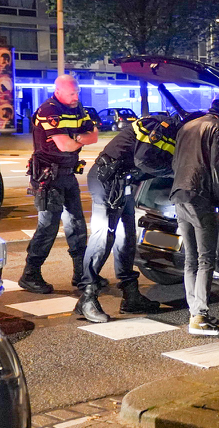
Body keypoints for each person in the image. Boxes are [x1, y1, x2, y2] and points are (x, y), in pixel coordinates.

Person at [74, 114, 179, 322]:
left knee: (126, 238)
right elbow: (143, 159)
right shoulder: (161, 127)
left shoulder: (173, 134)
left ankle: (130, 296)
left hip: (123, 182)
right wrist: (174, 172)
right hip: (107, 179)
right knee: (103, 237)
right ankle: (87, 296)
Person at [18, 75, 98, 295]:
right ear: (58, 91)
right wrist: (78, 137)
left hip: (68, 175)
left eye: (78, 92)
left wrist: (75, 138)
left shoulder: (77, 108)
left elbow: (94, 137)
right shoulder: (48, 110)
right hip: (48, 178)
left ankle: (81, 274)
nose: (76, 96)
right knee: (48, 227)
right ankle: (30, 274)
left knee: (78, 226)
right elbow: (65, 146)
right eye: (72, 93)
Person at [171, 98, 219, 336]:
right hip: (201, 195)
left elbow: (176, 161)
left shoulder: (187, 126)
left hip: (179, 192)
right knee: (206, 258)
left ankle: (194, 311)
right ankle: (200, 317)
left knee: (190, 259)